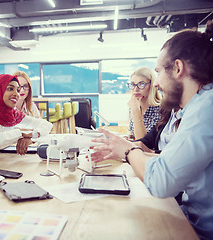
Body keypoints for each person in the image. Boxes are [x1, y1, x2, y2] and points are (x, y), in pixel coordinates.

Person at [91, 21, 213, 239]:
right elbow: (166, 160)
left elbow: (161, 181)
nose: (157, 83)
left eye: (158, 72)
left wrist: (128, 152)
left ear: (177, 68)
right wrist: (124, 148)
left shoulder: (207, 107)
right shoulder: (196, 106)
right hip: (188, 218)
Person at [127, 67, 161, 140]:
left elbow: (143, 143)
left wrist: (136, 113)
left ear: (151, 85)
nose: (136, 89)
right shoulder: (134, 106)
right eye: (133, 84)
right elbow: (132, 134)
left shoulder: (161, 110)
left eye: (141, 84)